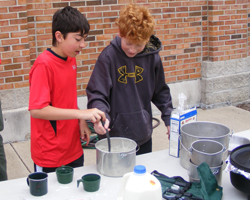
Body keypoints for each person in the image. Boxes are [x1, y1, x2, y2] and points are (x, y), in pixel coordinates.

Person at [86, 3, 173, 155]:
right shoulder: (108, 58)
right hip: (113, 138)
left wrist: (169, 118)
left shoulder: (152, 57)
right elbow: (97, 94)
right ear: (120, 33)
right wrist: (100, 117)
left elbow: (160, 91)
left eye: (139, 45)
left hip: (143, 135)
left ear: (147, 39)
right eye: (129, 43)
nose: (132, 50)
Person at [28, 6, 106, 173]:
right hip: (50, 154)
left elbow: (66, 99)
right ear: (59, 36)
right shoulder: (43, 65)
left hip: (74, 148)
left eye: (84, 39)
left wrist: (81, 121)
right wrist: (81, 114)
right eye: (78, 39)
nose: (83, 45)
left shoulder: (71, 59)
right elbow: (37, 109)